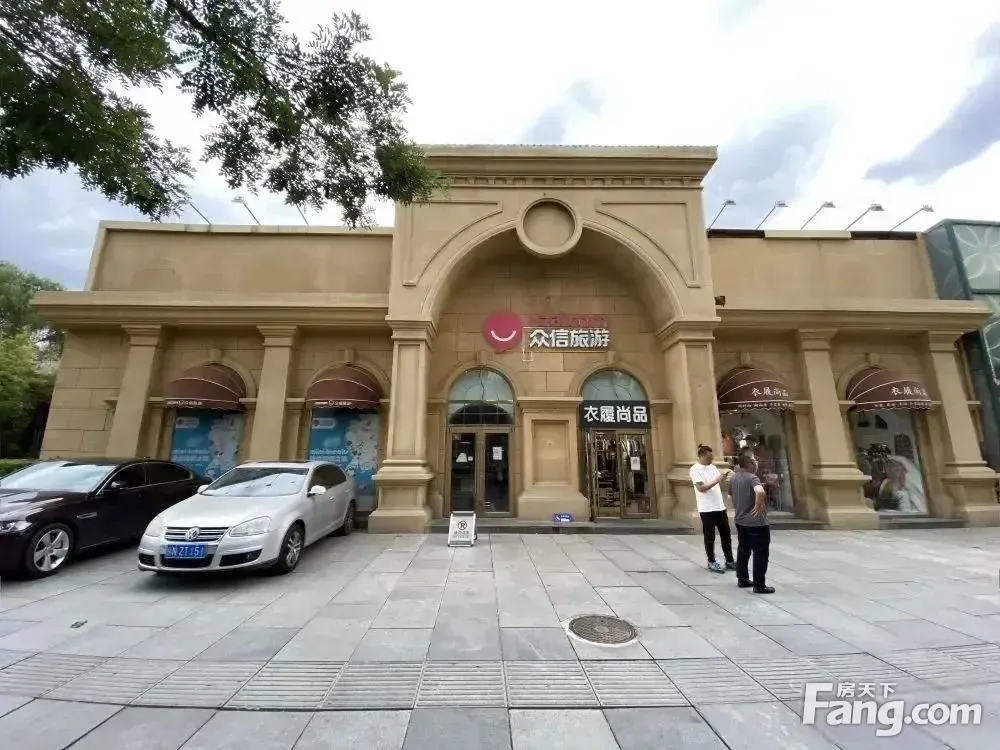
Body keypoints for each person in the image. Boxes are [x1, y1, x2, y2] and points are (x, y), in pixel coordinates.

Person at [729, 452, 774, 594]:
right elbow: (760, 492)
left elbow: (730, 496)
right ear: (749, 464)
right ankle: (759, 585)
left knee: (743, 550)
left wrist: (740, 506)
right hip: (756, 523)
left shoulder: (734, 478)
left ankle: (742, 579)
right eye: (755, 461)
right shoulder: (752, 478)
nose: (757, 463)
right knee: (760, 553)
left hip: (740, 520)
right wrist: (758, 506)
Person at [689, 443, 735, 574]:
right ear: (702, 456)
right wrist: (716, 480)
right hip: (706, 509)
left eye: (712, 457)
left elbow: (717, 482)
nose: (711, 459)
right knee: (710, 537)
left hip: (719, 506)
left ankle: (729, 560)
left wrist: (722, 479)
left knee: (726, 535)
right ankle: (711, 560)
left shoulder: (713, 467)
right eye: (709, 457)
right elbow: (701, 488)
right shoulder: (695, 470)